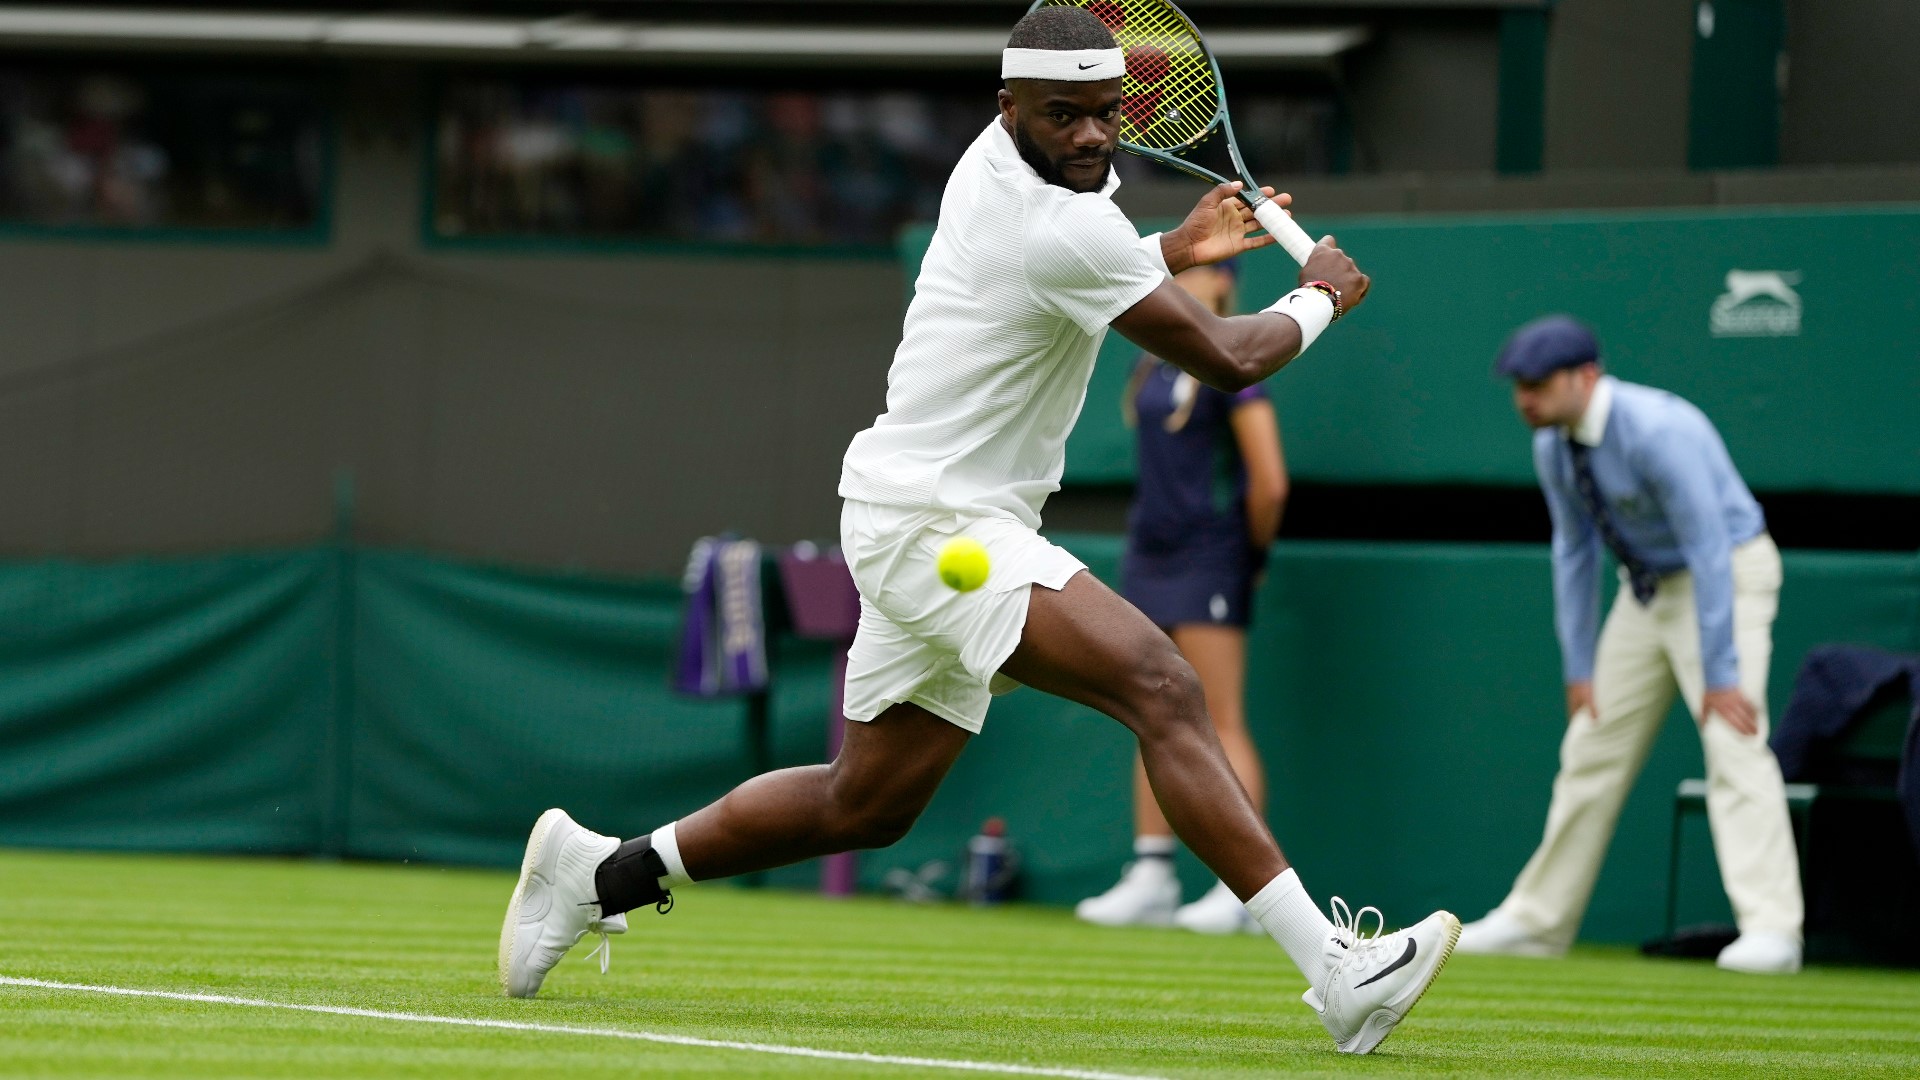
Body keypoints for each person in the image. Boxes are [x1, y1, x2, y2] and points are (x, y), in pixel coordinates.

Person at [499, 7, 1459, 1054]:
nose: (1092, 137)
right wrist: (1319, 294)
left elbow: (1073, 281)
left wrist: (1173, 247)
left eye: (1105, 114)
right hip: (936, 524)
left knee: (862, 804)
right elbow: (1229, 355)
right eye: (1064, 117)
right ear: (1009, 110)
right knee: (1162, 684)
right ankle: (1338, 970)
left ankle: (597, 872)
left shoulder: (1022, 182)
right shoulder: (1060, 225)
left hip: (918, 511)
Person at [1460, 314, 1804, 975]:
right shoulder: (1553, 446)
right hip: (1647, 591)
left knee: (1733, 739)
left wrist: (1721, 673)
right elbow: (1573, 549)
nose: (1524, 398)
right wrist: (1581, 664)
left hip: (1728, 574)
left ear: (1585, 377)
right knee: (1591, 746)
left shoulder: (1658, 431)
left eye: (1537, 383)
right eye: (1518, 385)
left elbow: (1708, 548)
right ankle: (1538, 921)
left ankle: (1773, 931)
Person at [1076, 260, 1287, 934]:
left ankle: (1247, 893)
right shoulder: (1155, 366)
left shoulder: (1234, 370)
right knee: (1152, 707)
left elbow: (1270, 483)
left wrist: (1248, 558)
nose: (1184, 280)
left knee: (1220, 717)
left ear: (1224, 282)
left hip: (1210, 557)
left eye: (1198, 272)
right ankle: (1152, 875)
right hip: (1151, 555)